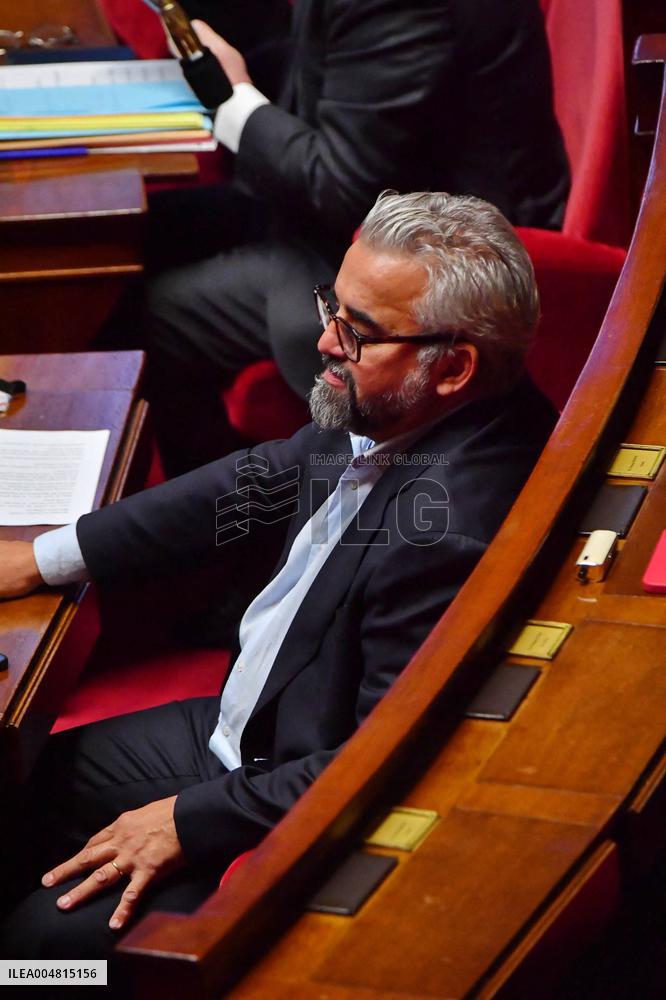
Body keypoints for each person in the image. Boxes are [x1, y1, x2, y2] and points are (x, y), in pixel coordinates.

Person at [0, 191, 557, 965]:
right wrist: (40, 556)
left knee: (34, 957)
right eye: (334, 305)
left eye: (357, 332)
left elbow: (385, 760)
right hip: (240, 729)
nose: (324, 340)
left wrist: (187, 822)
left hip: (280, 807)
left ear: (454, 366)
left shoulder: (453, 532)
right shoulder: (393, 408)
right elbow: (257, 478)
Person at [105, 0, 569, 475]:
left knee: (147, 315)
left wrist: (231, 98)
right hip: (358, 201)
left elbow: (339, 186)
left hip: (431, 261)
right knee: (136, 234)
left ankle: (235, 533)